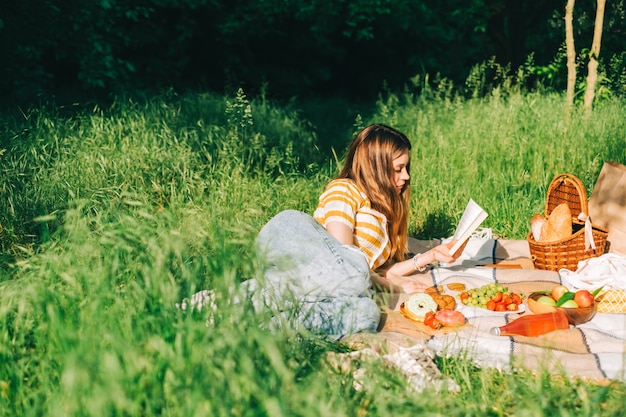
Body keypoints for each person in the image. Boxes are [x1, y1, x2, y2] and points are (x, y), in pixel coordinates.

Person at [249, 124, 462, 339]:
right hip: (290, 237)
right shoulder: (345, 189)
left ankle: (256, 326)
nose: (406, 176)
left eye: (406, 168)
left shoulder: (380, 212)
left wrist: (429, 256)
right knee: (358, 280)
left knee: (366, 314)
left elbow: (374, 270)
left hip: (329, 282)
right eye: (398, 169)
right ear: (375, 166)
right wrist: (391, 286)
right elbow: (344, 255)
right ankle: (230, 301)